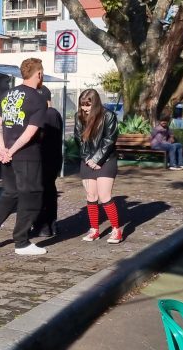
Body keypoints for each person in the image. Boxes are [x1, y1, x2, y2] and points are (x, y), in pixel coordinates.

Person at [0, 57, 48, 256]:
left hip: (7, 154)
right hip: (26, 155)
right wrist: (11, 150)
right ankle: (22, 242)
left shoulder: (7, 94)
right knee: (31, 194)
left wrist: (3, 149)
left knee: (11, 192)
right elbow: (30, 132)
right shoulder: (38, 99)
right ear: (38, 74)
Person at [74, 89, 123, 244]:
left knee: (104, 195)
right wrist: (88, 159)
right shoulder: (79, 117)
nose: (84, 108)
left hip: (106, 160)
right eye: (82, 105)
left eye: (87, 105)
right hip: (87, 160)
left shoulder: (108, 116)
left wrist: (97, 159)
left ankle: (116, 230)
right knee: (91, 196)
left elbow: (109, 140)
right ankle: (94, 229)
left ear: (94, 103)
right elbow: (79, 139)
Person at [31, 86, 63, 238]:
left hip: (43, 159)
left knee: (41, 193)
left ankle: (42, 226)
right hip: (54, 158)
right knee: (50, 191)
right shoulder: (55, 114)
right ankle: (51, 225)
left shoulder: (46, 114)